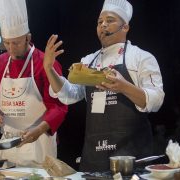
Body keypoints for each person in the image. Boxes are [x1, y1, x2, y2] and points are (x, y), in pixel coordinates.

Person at [43, 0, 164, 171]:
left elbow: (156, 99)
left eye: (110, 20)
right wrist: (49, 69)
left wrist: (123, 86)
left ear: (125, 27)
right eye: (100, 22)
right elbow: (69, 94)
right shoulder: (88, 61)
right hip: (94, 157)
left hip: (131, 157)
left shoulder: (141, 58)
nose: (103, 25)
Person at [0, 0, 67, 167]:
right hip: (7, 147)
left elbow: (59, 106)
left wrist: (39, 130)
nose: (11, 49)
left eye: (16, 43)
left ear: (28, 38)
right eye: (6, 43)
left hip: (39, 144)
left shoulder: (45, 63)